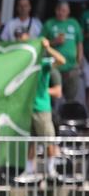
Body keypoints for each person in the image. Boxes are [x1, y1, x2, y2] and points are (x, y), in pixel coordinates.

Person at [21, 37, 66, 179]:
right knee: (31, 142)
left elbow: (61, 61)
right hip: (26, 109)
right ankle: (29, 171)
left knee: (48, 140)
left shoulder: (44, 64)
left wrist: (48, 48)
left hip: (41, 108)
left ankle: (51, 170)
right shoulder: (22, 65)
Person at [43, 2, 83, 103]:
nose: (61, 13)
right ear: (55, 10)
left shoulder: (74, 23)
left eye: (64, 10)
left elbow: (79, 43)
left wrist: (79, 62)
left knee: (70, 99)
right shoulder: (49, 23)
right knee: (53, 98)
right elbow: (41, 42)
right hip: (55, 67)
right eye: (59, 10)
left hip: (71, 67)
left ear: (68, 12)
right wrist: (54, 42)